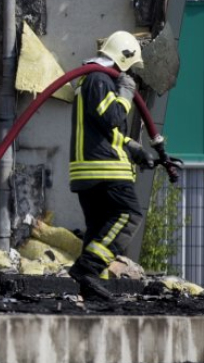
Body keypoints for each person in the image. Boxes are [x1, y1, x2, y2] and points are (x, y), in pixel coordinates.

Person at [68, 30, 156, 300]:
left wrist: (131, 147)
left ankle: (90, 287)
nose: (129, 74)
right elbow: (112, 117)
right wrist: (126, 94)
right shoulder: (99, 78)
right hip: (103, 169)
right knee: (129, 214)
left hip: (90, 169)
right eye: (129, 67)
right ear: (124, 57)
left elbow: (103, 130)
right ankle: (88, 269)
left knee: (98, 228)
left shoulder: (92, 79)